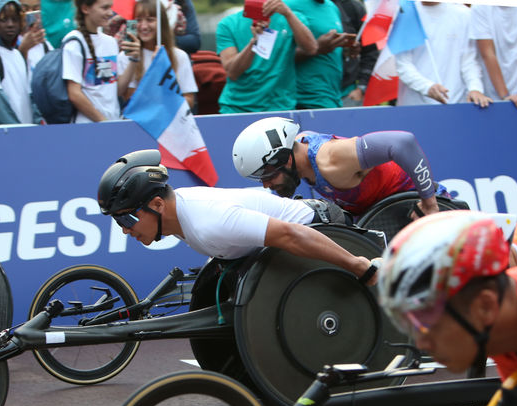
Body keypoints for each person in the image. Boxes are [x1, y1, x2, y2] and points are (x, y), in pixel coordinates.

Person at [97, 149, 379, 284]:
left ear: (157, 205)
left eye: (126, 220)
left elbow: (290, 235)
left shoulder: (210, 222)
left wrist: (358, 265)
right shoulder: (178, 213)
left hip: (321, 228)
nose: (124, 230)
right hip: (282, 244)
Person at [377, 210, 517, 381]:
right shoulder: (503, 326)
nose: (422, 344)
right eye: (409, 324)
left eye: (427, 321)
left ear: (485, 306)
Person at [232, 117, 443, 217]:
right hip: (380, 215)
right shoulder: (300, 147)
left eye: (267, 176)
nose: (267, 185)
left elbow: (403, 142)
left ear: (285, 160)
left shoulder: (332, 159)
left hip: (416, 209)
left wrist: (429, 204)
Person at [215, 0, 318, 113]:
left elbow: (311, 48)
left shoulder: (292, 17)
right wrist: (254, 42)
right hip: (237, 107)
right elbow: (233, 72)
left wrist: (288, 14)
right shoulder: (228, 24)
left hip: (280, 107)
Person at [396, 2, 492, 108]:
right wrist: (427, 87)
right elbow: (402, 64)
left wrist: (475, 88)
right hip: (415, 106)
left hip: (456, 103)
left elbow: (469, 60)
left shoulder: (463, 14)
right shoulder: (404, 14)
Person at [117, 0, 197, 109]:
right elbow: (131, 99)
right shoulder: (126, 57)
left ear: (162, 23)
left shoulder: (179, 56)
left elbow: (189, 99)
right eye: (138, 20)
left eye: (150, 20)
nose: (144, 26)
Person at [62, 0, 126, 123]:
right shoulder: (74, 42)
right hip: (87, 127)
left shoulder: (111, 42)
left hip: (112, 123)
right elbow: (74, 94)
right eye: (104, 8)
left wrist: (133, 59)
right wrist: (102, 121)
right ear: (85, 8)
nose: (110, 13)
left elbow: (114, 90)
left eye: (110, 7)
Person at [284, 0, 349, 109]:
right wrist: (317, 48)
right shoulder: (287, 5)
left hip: (332, 95)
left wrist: (347, 49)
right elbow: (276, 56)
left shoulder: (332, 6)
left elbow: (330, 49)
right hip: (303, 100)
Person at [0, 0, 35, 124]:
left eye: (15, 19)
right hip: (7, 136)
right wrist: (17, 131)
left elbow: (29, 96)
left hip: (26, 133)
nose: (10, 25)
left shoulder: (18, 54)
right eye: (3, 20)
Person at [333, 0, 378, 107]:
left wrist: (361, 87)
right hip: (314, 95)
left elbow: (370, 51)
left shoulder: (353, 7)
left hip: (348, 94)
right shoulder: (302, 6)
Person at [18, 0, 53, 78]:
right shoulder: (9, 43)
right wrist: (23, 50)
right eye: (25, 9)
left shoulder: (45, 45)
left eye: (35, 9)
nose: (30, 14)